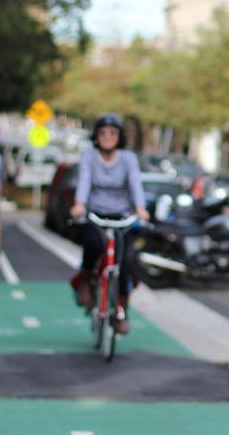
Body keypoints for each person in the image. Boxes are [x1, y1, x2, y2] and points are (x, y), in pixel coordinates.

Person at [69, 113, 150, 334]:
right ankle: (85, 281)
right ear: (96, 135)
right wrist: (79, 204)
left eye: (113, 133)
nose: (107, 137)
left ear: (119, 136)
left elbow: (135, 183)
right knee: (94, 244)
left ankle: (122, 309)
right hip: (94, 213)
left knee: (125, 263)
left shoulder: (128, 158)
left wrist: (140, 208)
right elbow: (84, 180)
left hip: (122, 215)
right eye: (103, 132)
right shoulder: (89, 156)